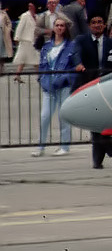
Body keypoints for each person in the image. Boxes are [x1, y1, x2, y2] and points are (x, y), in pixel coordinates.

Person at [79, 15, 112, 168]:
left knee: (97, 125)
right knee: (94, 124)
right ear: (89, 25)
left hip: (106, 88)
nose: (97, 25)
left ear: (105, 25)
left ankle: (99, 160)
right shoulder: (83, 41)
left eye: (100, 22)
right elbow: (76, 57)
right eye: (94, 22)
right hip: (88, 87)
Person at [33, 18, 83, 156]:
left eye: (62, 25)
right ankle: (40, 146)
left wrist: (68, 76)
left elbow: (76, 64)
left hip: (63, 85)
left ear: (65, 28)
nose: (59, 28)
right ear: (53, 27)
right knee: (44, 116)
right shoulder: (47, 46)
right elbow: (42, 65)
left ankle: (64, 146)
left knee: (63, 116)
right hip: (48, 86)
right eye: (57, 25)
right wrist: (41, 79)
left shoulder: (71, 46)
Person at [11, 1, 40, 81]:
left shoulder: (37, 16)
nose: (30, 7)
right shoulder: (25, 15)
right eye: (29, 6)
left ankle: (17, 75)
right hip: (26, 40)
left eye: (31, 6)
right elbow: (20, 27)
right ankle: (40, 75)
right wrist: (16, 38)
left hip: (33, 40)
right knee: (35, 58)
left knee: (25, 59)